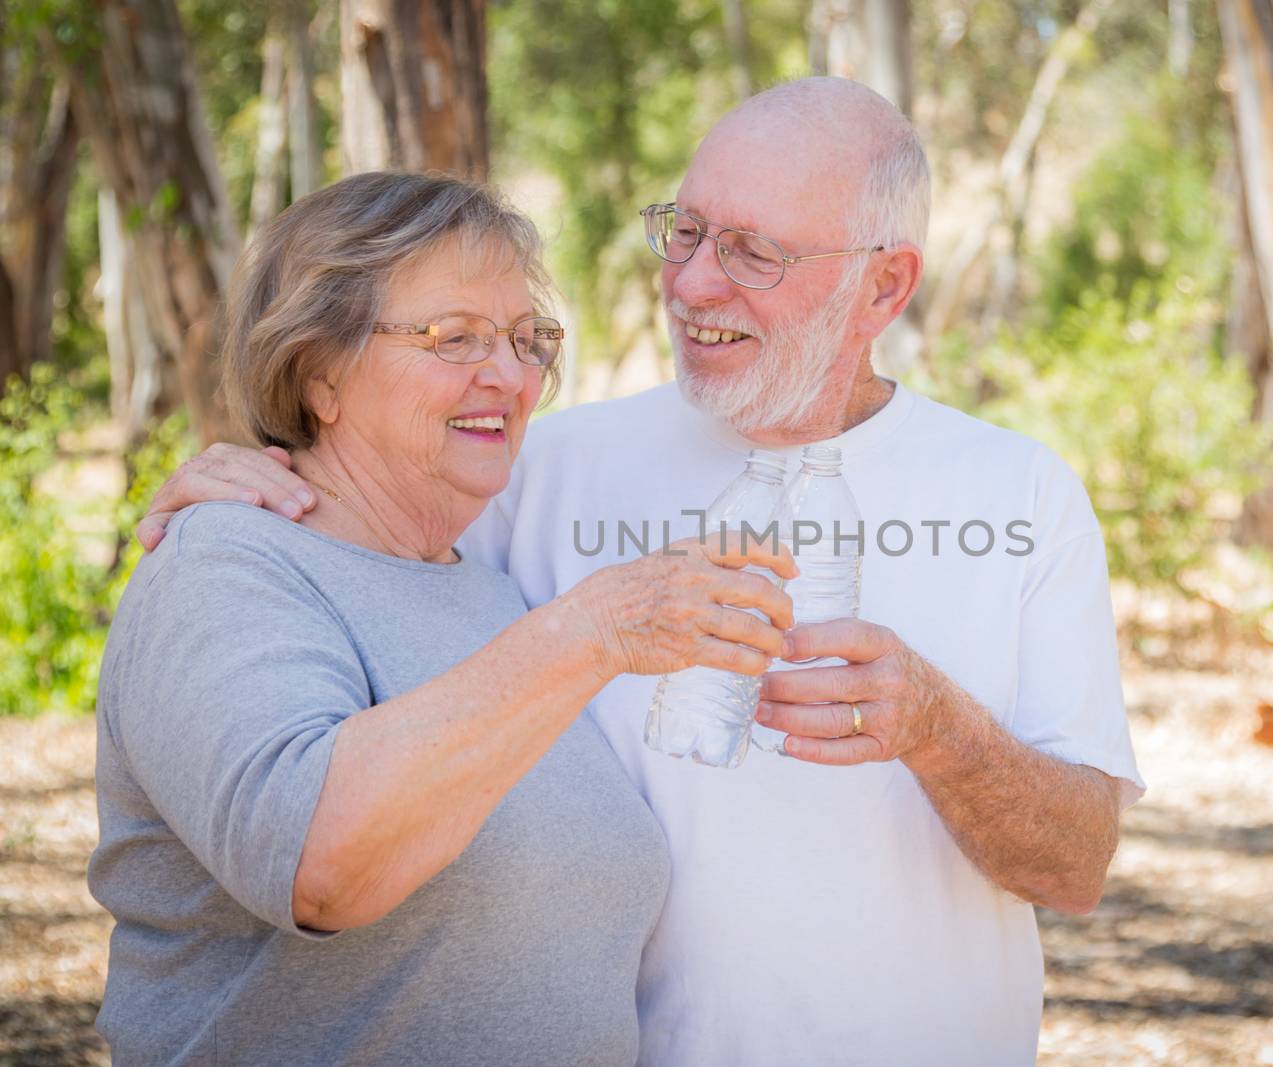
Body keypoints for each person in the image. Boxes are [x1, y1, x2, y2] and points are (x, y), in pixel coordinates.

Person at [140, 78, 1145, 1065]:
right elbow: (361, 530)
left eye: (751, 252)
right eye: (687, 231)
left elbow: (1073, 865)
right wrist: (249, 472)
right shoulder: (533, 467)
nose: (693, 282)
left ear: (882, 284)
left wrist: (939, 727)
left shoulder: (1017, 492)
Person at [91, 170, 798, 1067]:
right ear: (318, 372)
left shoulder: (487, 582)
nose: (508, 376)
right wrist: (595, 630)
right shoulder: (228, 566)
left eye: (526, 338)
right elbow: (326, 866)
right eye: (453, 337)